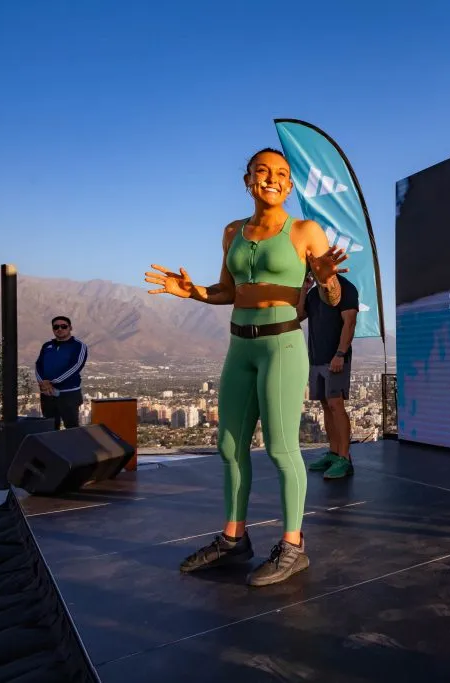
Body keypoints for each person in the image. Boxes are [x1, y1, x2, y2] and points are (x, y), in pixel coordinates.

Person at [144, 147, 347, 587]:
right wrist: (192, 292)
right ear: (248, 180)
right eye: (261, 171)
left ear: (290, 185)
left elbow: (331, 300)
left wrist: (326, 276)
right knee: (230, 448)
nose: (271, 178)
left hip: (281, 346)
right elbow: (227, 291)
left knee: (280, 448)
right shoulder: (233, 231)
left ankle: (293, 546)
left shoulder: (305, 230)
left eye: (281, 173)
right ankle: (234, 539)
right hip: (240, 347)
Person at [300, 272, 359, 479]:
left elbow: (349, 322)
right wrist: (304, 290)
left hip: (336, 358)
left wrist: (340, 354)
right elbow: (298, 316)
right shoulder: (314, 293)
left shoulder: (345, 288)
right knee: (325, 405)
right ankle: (334, 453)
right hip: (316, 358)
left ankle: (345, 458)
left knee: (336, 404)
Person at [34, 316, 88, 429]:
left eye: (64, 326)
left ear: (70, 328)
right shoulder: (46, 346)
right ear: (53, 329)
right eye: (56, 327)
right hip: (48, 394)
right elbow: (38, 365)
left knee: (72, 428)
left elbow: (76, 366)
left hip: (69, 394)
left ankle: (72, 447)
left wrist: (52, 382)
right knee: (49, 427)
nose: (60, 329)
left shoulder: (78, 346)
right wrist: (42, 382)